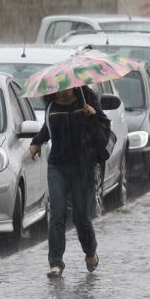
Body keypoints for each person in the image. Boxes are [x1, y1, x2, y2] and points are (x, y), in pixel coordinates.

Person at [29, 85, 106, 278]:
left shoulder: (87, 103)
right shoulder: (51, 108)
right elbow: (48, 128)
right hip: (57, 166)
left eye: (66, 89)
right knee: (57, 213)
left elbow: (102, 130)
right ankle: (55, 262)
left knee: (81, 216)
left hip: (83, 166)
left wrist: (93, 115)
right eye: (58, 89)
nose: (62, 93)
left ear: (75, 87)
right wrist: (36, 141)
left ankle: (90, 251)